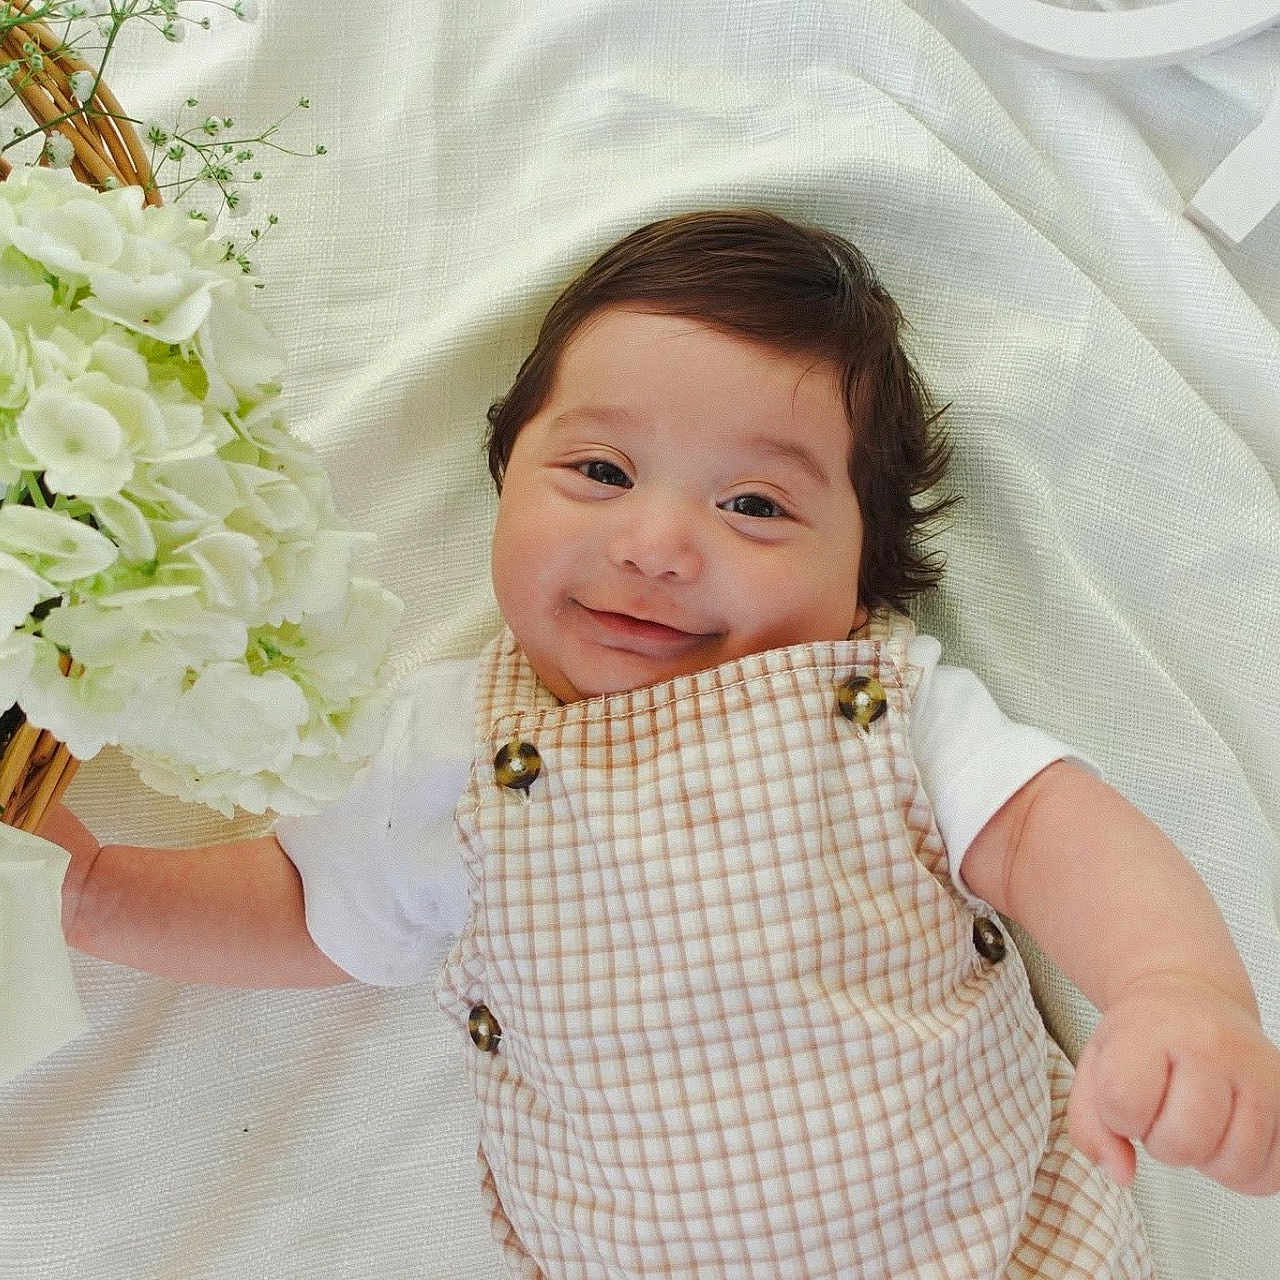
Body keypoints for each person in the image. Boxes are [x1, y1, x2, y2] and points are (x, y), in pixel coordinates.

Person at [43, 209, 1280, 1278]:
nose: (657, 543)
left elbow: (1051, 829)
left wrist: (1174, 988)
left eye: (752, 503)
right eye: (597, 468)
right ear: (502, 472)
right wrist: (94, 889)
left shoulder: (874, 704)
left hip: (990, 1241)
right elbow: (301, 906)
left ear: (864, 573)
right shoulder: (448, 747)